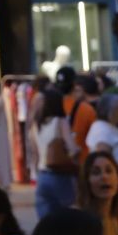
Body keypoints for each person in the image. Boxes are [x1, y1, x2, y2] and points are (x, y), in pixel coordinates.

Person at [33, 87, 79, 219]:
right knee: (67, 218)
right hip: (60, 175)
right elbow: (72, 147)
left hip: (42, 175)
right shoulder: (60, 121)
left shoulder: (37, 124)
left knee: (45, 221)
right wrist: (77, 150)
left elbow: (35, 153)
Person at [55, 66, 98, 160]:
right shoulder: (86, 110)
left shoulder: (49, 110)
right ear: (75, 84)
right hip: (81, 164)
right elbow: (96, 139)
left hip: (56, 164)